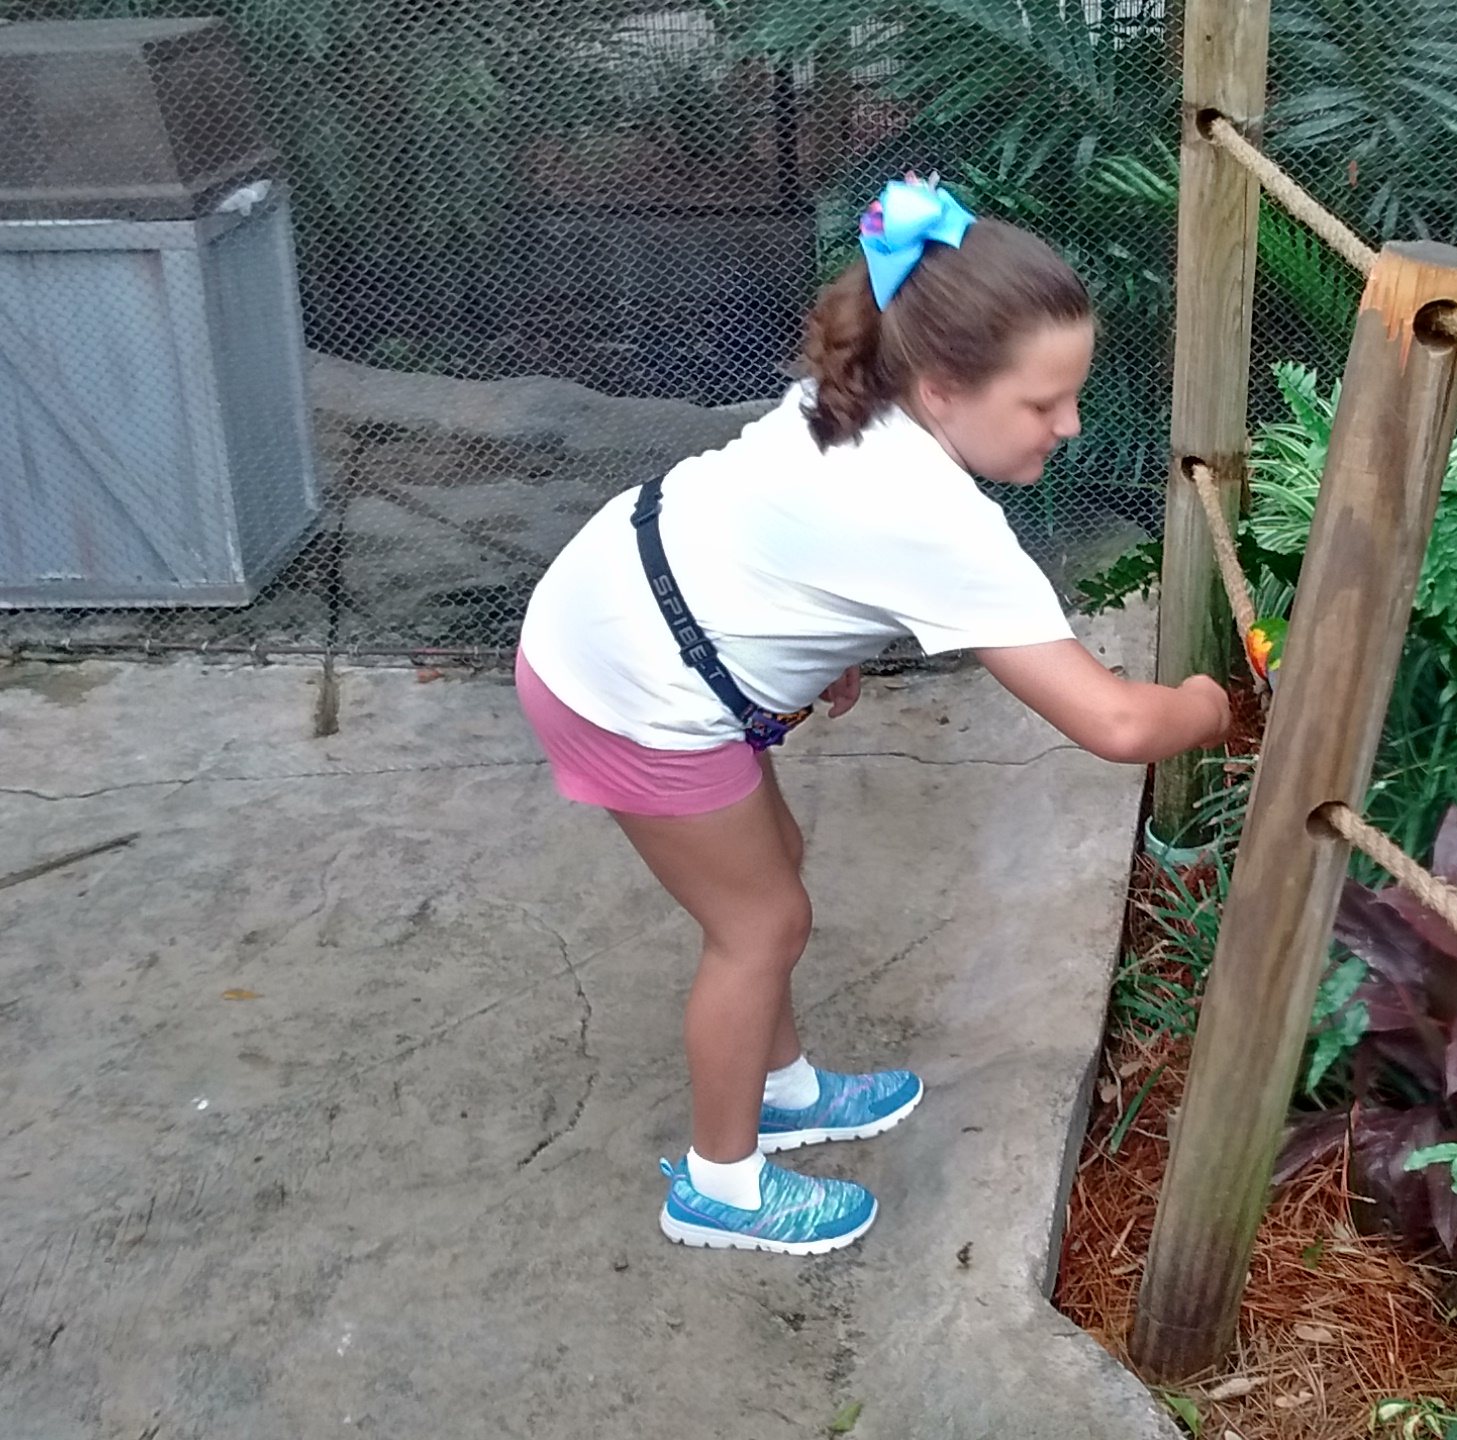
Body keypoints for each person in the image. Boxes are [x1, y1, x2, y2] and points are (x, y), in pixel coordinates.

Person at [514, 178, 1232, 1256]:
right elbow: (1119, 726)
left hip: (624, 602)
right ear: (942, 389)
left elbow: (787, 531)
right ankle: (719, 1186)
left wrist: (826, 649)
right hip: (628, 686)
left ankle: (785, 1089)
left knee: (774, 870)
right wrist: (1210, 703)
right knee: (758, 924)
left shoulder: (858, 390)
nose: (1071, 425)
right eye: (1043, 403)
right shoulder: (937, 520)